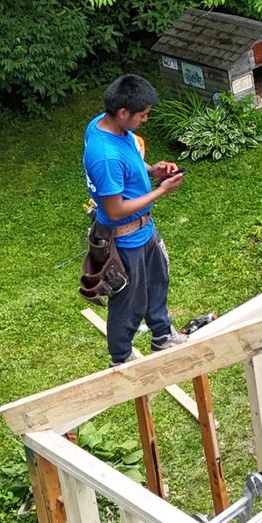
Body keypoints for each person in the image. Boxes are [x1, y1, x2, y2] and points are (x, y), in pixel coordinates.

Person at [85, 74, 187, 366]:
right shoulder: (104, 156)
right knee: (128, 302)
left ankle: (162, 336)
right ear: (123, 113)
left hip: (145, 231)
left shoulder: (108, 128)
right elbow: (114, 210)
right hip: (125, 238)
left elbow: (130, 163)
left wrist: (153, 170)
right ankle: (121, 358)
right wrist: (161, 192)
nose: (145, 120)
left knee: (158, 282)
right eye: (142, 115)